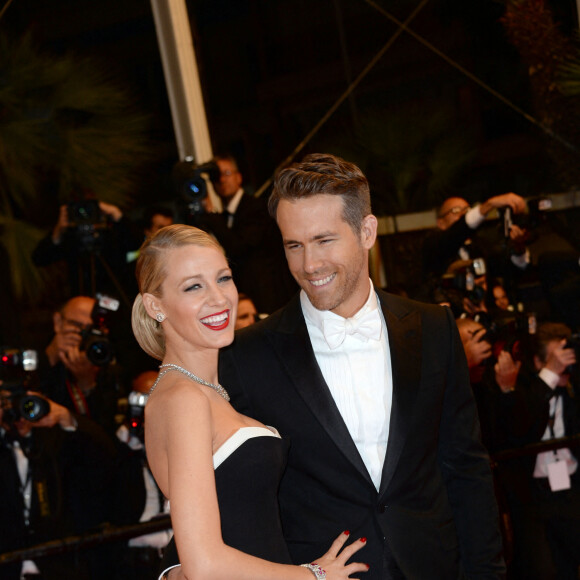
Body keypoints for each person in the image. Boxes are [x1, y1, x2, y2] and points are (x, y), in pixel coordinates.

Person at [163, 153, 506, 578]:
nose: (309, 265)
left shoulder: (433, 328)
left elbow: (466, 466)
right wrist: (177, 568)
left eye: (324, 240)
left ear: (367, 231)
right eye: (294, 245)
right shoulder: (245, 356)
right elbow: (222, 486)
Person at [131, 224, 368, 579]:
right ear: (155, 305)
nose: (218, 298)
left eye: (223, 278)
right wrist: (315, 576)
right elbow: (204, 565)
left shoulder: (206, 391)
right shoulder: (183, 397)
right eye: (194, 286)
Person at [0, 387, 118, 580]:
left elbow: (106, 463)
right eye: (4, 403)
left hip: (58, 565)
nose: (16, 411)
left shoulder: (55, 442)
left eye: (21, 402)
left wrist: (67, 419)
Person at [195, 154, 297, 314]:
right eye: (216, 176)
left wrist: (210, 214)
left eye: (227, 173)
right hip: (241, 298)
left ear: (238, 177)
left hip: (267, 299)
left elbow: (238, 247)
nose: (222, 180)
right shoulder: (221, 217)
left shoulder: (256, 208)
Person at [40, 295, 126, 438]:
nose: (82, 336)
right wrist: (49, 358)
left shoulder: (109, 370)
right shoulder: (34, 360)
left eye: (91, 329)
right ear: (58, 322)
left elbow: (107, 436)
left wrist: (87, 383)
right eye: (77, 326)